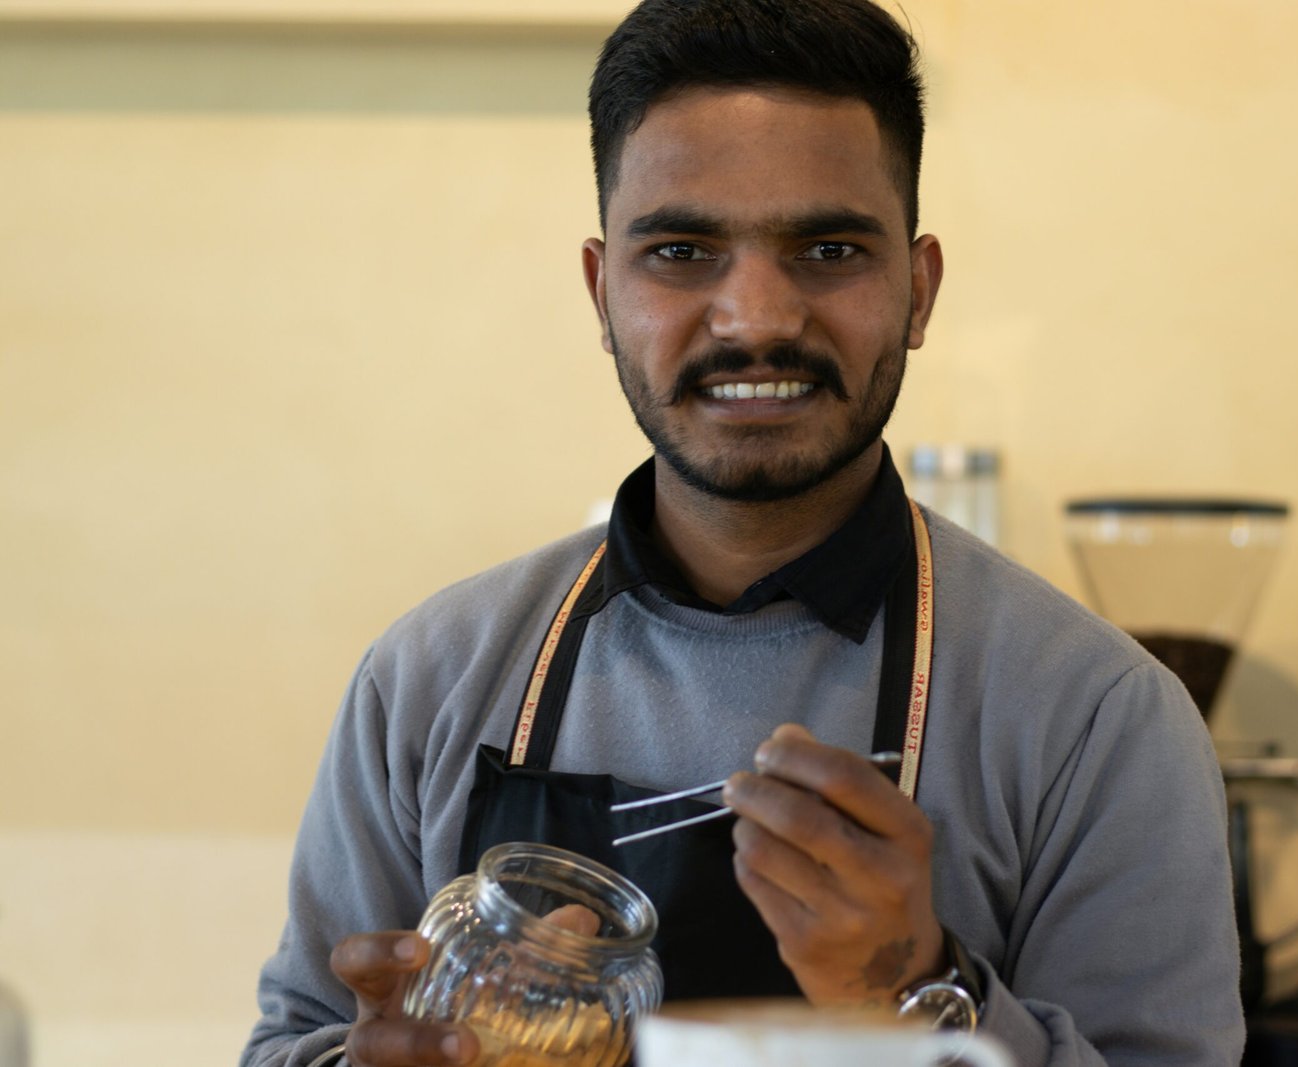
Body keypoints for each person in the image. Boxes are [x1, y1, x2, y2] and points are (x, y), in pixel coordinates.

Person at [241, 0, 1245, 1064]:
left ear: (918, 291)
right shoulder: (429, 679)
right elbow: (296, 1037)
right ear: (601, 292)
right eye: (681, 250)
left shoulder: (1095, 717)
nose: (757, 317)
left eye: (828, 248)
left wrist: (920, 985)